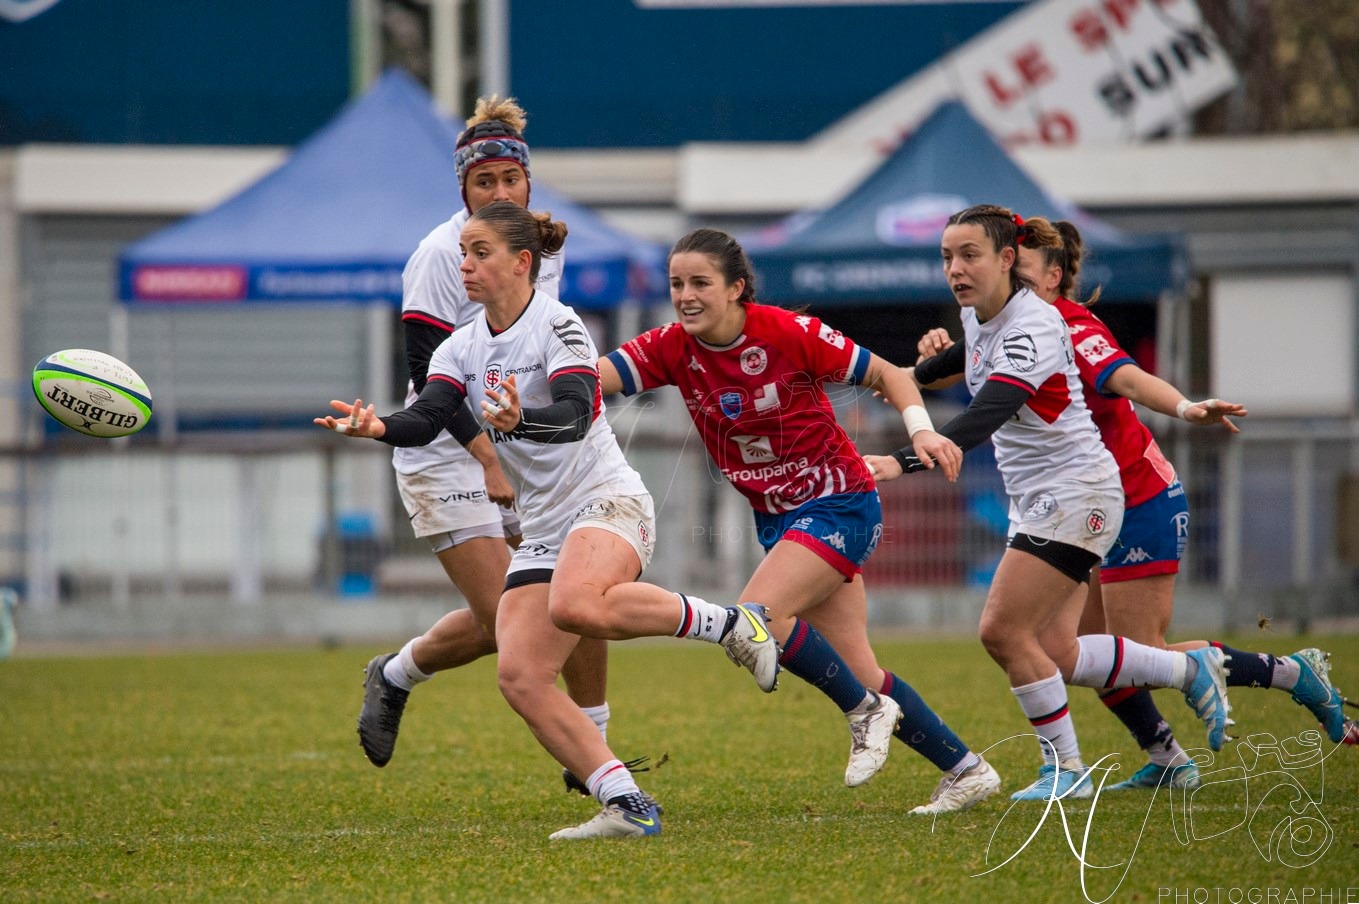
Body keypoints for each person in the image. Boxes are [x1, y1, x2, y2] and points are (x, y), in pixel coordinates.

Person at [319, 202, 789, 839]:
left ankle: (735, 625)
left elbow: (572, 412)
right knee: (518, 675)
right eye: (463, 252)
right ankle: (626, 804)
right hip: (544, 527)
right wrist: (377, 428)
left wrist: (522, 423)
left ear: (521, 262)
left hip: (608, 502)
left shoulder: (560, 326)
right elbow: (428, 416)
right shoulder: (460, 347)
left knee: (575, 606)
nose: (466, 265)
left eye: (480, 252)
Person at [595, 227, 1005, 815]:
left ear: (737, 288)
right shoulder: (670, 346)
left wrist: (920, 432)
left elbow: (890, 374)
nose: (685, 295)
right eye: (677, 283)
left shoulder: (786, 331)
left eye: (700, 283)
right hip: (782, 522)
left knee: (758, 618)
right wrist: (531, 387)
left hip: (841, 503)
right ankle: (966, 769)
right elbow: (592, 379)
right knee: (861, 669)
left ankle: (864, 715)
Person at [863, 204, 1234, 801]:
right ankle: (1187, 671)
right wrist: (903, 375)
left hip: (1076, 493)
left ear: (1008, 259)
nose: (955, 269)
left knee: (1002, 632)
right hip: (1045, 497)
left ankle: (1066, 769)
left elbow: (989, 410)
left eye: (969, 255)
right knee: (1056, 652)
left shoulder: (1035, 325)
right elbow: (952, 364)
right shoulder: (981, 313)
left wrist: (906, 458)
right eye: (946, 257)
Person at [997, 216, 1345, 784]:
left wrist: (1186, 408)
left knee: (1140, 652)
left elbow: (1128, 378)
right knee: (1082, 650)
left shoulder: (1070, 325)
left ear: (1056, 276)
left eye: (1024, 273)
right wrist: (933, 356)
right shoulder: (1011, 325)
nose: (1011, 284)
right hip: (1077, 508)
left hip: (1137, 500)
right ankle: (1167, 760)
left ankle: (1291, 673)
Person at [356, 96, 629, 797]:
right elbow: (429, 379)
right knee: (503, 623)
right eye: (485, 183)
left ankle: (589, 745)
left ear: (529, 183)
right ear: (464, 190)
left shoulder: (540, 244)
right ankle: (395, 673)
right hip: (447, 448)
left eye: (510, 179)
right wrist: (486, 458)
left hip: (515, 443)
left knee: (579, 589)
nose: (500, 191)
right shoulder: (438, 255)